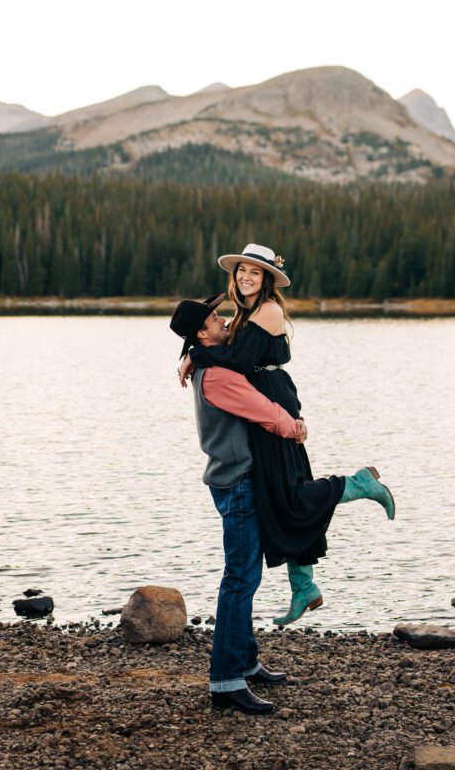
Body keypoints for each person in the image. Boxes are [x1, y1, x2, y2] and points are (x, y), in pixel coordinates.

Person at [180, 244, 396, 626]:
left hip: (270, 396)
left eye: (255, 272)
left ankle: (359, 484)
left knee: (290, 494)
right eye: (242, 270)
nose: (246, 277)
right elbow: (228, 353)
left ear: (266, 279)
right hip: (264, 396)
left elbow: (238, 362)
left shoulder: (267, 309)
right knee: (281, 496)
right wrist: (192, 352)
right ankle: (303, 586)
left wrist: (195, 355)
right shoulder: (245, 312)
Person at [169, 292, 309, 716]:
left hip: (232, 480)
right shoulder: (217, 376)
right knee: (240, 580)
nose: (224, 319)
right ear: (200, 332)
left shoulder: (210, 362)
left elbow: (243, 355)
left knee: (244, 576)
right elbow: (262, 409)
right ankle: (226, 682)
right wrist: (295, 428)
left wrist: (191, 355)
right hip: (238, 484)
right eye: (215, 318)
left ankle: (245, 662)